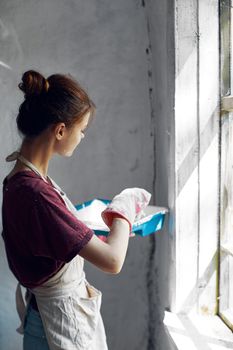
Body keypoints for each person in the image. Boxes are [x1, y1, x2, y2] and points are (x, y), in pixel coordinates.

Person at [1, 70, 151, 350]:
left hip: (44, 319)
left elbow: (46, 238)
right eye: (81, 130)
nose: (81, 137)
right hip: (58, 325)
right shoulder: (36, 193)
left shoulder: (19, 181)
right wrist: (123, 209)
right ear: (60, 130)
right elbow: (112, 261)